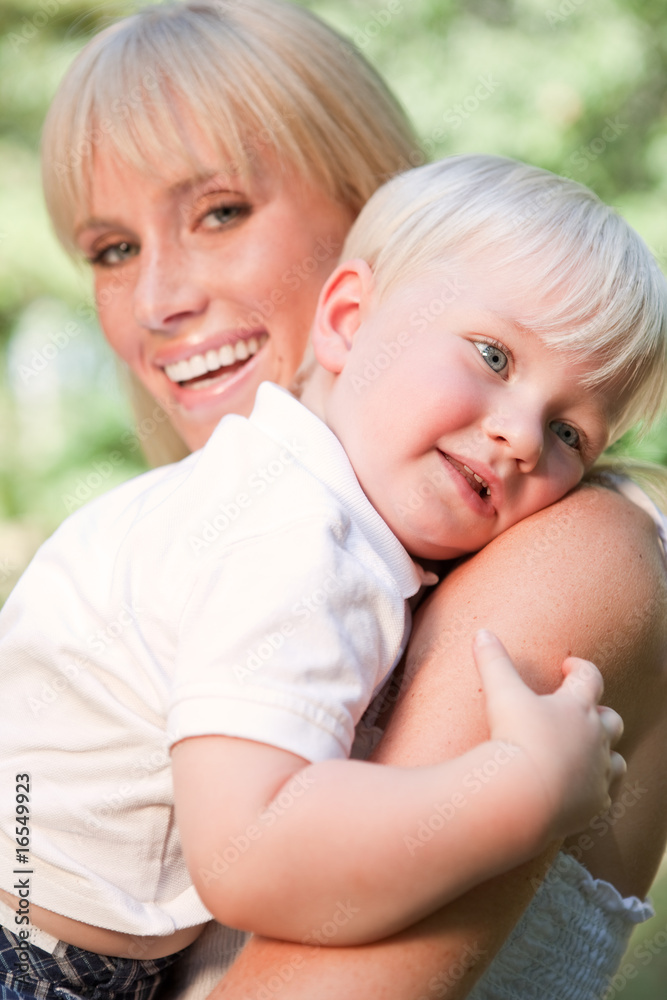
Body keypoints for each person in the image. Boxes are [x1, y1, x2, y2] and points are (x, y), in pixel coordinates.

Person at [22, 1, 667, 997]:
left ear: (366, 211)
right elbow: (250, 850)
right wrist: (515, 793)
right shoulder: (277, 523)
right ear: (349, 315)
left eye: (220, 211)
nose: (157, 304)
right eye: (112, 251)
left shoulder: (563, 552)